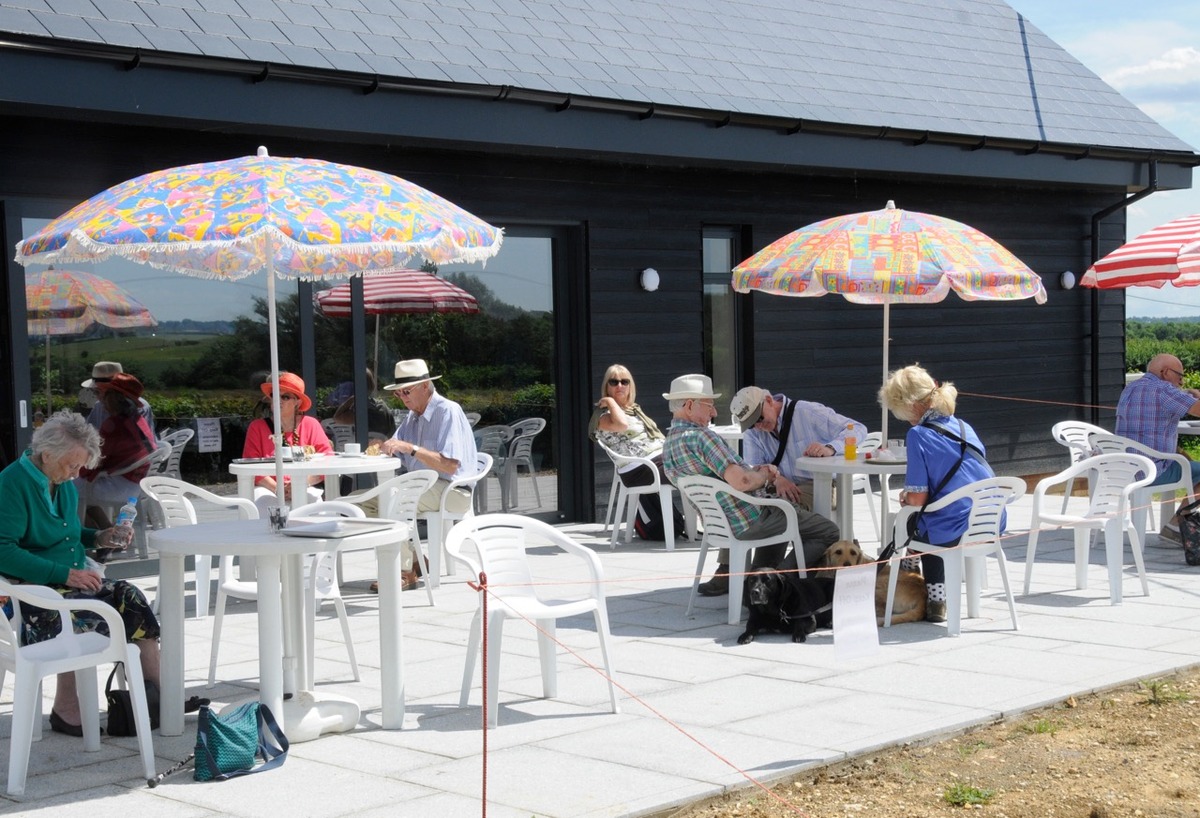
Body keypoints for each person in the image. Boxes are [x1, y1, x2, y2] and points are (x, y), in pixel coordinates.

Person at [0, 411, 162, 736]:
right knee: (91, 621)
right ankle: (67, 705)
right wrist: (67, 574)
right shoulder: (12, 483)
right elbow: (4, 550)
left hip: (69, 582)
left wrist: (101, 536)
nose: (76, 473)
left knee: (132, 598)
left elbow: (67, 533)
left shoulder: (60, 481)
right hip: (34, 590)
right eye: (72, 465)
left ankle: (158, 697)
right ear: (47, 455)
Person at [661, 374, 839, 596]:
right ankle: (775, 581)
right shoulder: (702, 437)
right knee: (828, 531)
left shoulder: (668, 445)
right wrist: (766, 475)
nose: (714, 413)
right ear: (689, 405)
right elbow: (742, 481)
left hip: (720, 523)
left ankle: (755, 583)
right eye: (710, 406)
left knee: (779, 514)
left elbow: (739, 476)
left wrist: (761, 474)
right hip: (749, 519)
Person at [878, 364, 998, 623]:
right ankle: (924, 590)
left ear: (909, 404)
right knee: (927, 518)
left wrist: (907, 498)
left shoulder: (918, 435)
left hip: (953, 528)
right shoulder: (965, 427)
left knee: (914, 521)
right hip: (989, 520)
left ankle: (933, 598)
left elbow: (917, 499)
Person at [378, 359, 479, 591]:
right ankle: (415, 560)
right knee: (372, 501)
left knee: (392, 499)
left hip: (452, 489)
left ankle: (405, 571)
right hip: (423, 486)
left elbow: (450, 465)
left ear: (425, 386)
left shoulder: (448, 411)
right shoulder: (412, 416)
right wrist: (383, 445)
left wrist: (411, 448)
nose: (402, 398)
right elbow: (397, 447)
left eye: (406, 391)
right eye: (398, 394)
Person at [730, 386, 868, 510]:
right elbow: (755, 466)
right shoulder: (753, 432)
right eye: (751, 424)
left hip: (819, 483)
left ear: (769, 400)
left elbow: (858, 428)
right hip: (776, 485)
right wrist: (777, 479)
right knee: (745, 508)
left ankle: (821, 537)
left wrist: (830, 447)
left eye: (759, 418)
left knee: (784, 511)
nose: (758, 427)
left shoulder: (806, 411)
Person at [588, 363, 684, 541]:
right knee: (695, 467)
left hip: (657, 462)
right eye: (614, 382)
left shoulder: (634, 410)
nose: (619, 386)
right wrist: (609, 401)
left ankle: (710, 523)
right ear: (606, 386)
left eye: (624, 382)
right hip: (640, 470)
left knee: (698, 465)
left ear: (630, 385)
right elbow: (622, 425)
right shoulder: (602, 416)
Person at [1115, 353, 1200, 543]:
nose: (1181, 381)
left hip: (1122, 468)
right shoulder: (1163, 390)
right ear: (1166, 372)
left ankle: (1178, 524)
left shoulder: (1131, 388)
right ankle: (1176, 526)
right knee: (1191, 466)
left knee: (1187, 462)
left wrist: (1187, 393)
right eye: (1179, 376)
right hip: (1153, 470)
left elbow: (1168, 399)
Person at [75, 373, 158, 530]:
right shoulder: (137, 420)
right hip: (135, 483)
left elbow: (95, 463)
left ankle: (95, 538)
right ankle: (108, 532)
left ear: (112, 398)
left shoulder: (114, 425)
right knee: (78, 489)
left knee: (65, 489)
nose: (99, 399)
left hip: (119, 486)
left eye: (101, 394)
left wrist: (74, 467)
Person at [242, 372, 334, 510]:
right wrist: (278, 489)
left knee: (314, 506)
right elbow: (250, 466)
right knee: (263, 504)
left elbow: (328, 462)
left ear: (298, 402)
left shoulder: (311, 424)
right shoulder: (257, 427)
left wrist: (301, 483)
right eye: (274, 395)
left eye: (285, 397)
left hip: (304, 486)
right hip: (267, 488)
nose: (278, 400)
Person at [82, 361, 156, 431]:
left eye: (98, 391)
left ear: (114, 392)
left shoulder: (141, 408)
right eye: (95, 391)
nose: (97, 397)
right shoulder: (98, 405)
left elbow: (143, 441)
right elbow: (90, 434)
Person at [332, 368, 396, 439]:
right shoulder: (382, 406)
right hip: (382, 446)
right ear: (372, 385)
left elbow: (337, 418)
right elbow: (392, 431)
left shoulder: (359, 410)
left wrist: (351, 399)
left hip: (361, 447)